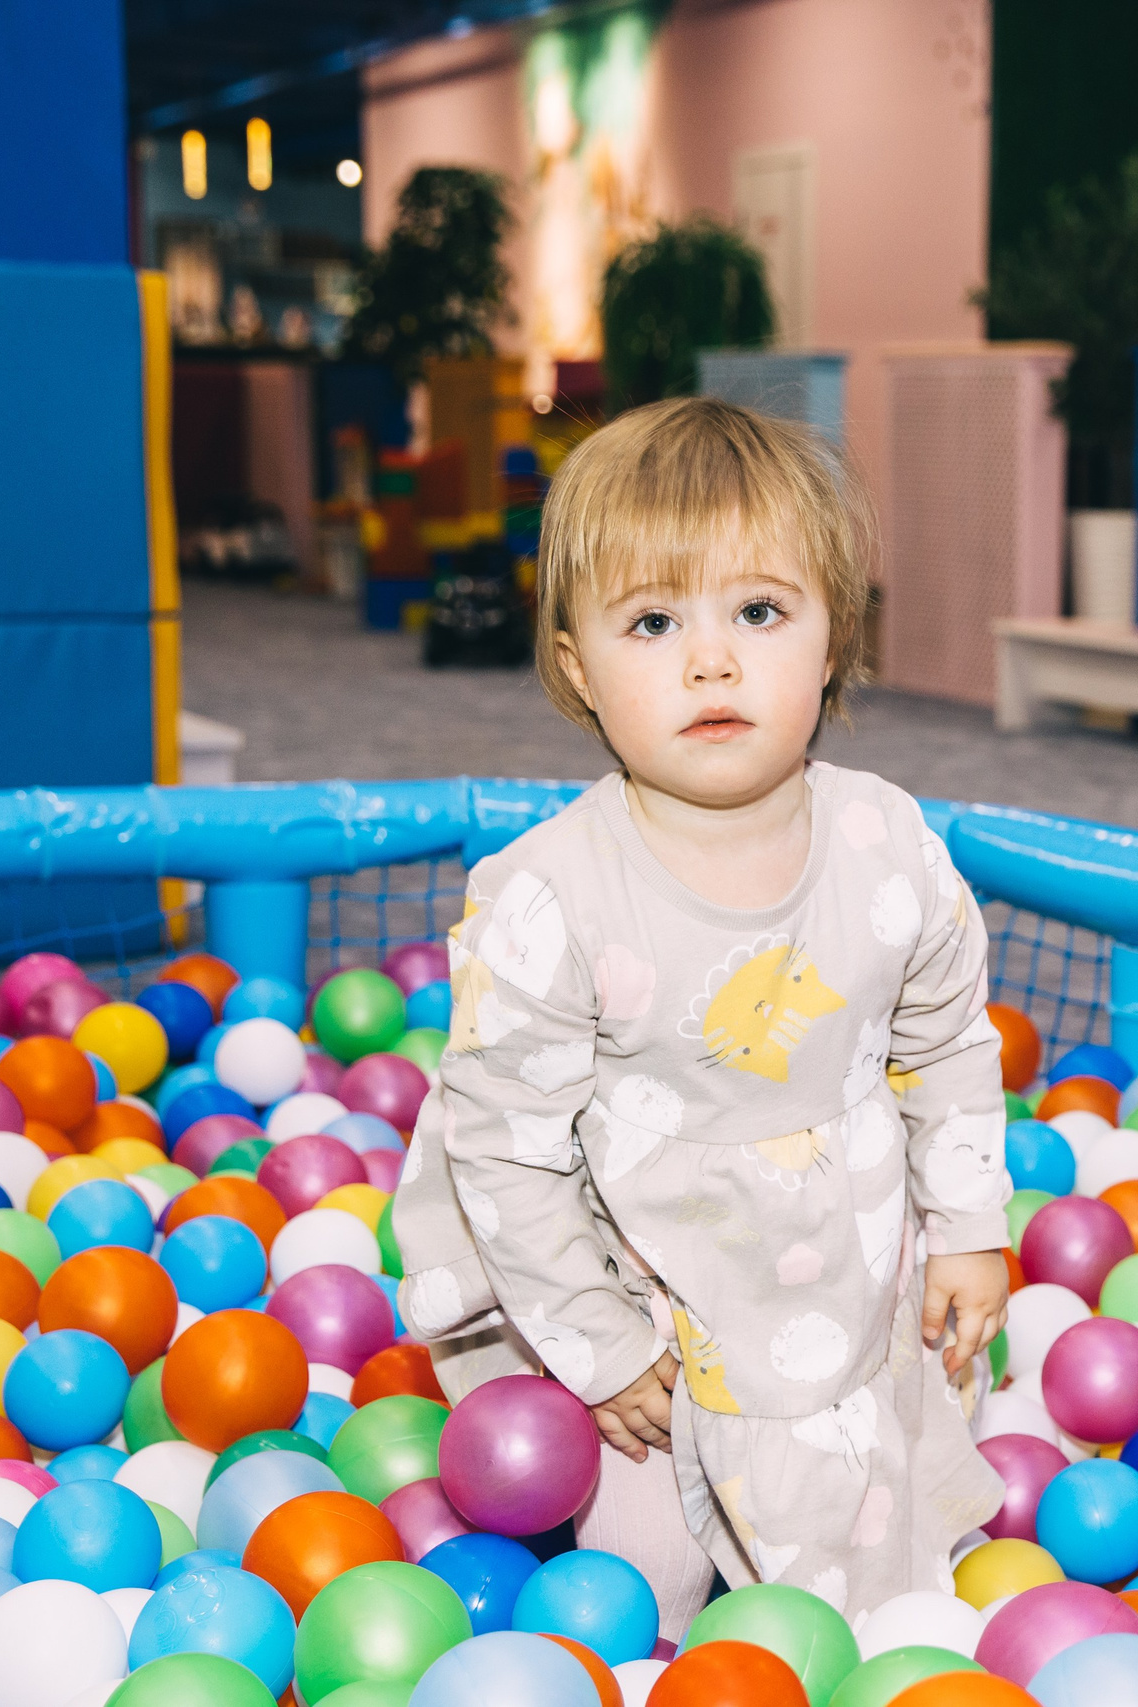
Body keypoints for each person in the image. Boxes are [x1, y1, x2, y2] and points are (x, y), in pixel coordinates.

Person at [391, 397, 1012, 1637]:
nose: (711, 662)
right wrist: (599, 1345)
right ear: (578, 666)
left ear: (834, 640)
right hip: (643, 1286)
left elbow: (946, 1043)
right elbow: (504, 1150)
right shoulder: (555, 897)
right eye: (653, 622)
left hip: (836, 1267)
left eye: (760, 613)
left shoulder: (887, 844)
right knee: (646, 1578)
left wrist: (967, 1228)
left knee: (885, 1567)